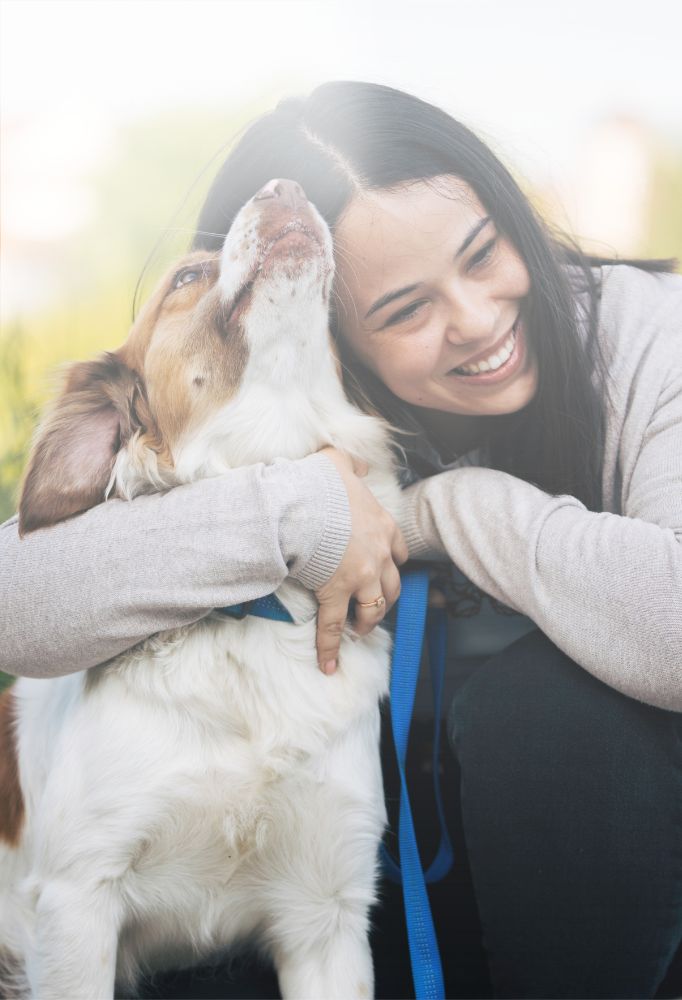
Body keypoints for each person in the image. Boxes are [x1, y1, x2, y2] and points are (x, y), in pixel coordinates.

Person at [1, 81, 681, 999]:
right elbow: (18, 602)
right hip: (338, 885)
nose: (477, 320)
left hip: (598, 865)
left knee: (550, 713)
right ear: (331, 336)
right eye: (405, 310)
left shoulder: (649, 335)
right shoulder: (290, 401)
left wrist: (431, 509)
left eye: (485, 253)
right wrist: (300, 511)